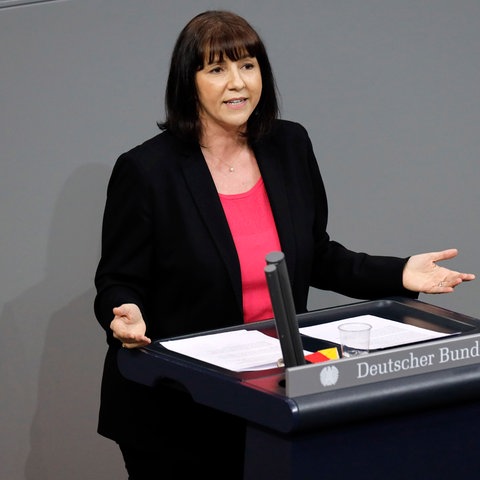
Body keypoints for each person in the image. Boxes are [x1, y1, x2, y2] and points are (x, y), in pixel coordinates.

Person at [94, 10, 475, 479]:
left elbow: (317, 256)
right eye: (216, 69)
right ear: (188, 81)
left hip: (273, 394)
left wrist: (399, 273)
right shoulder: (147, 171)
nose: (237, 83)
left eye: (248, 65)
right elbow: (117, 280)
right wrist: (124, 312)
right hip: (179, 408)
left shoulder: (288, 145)